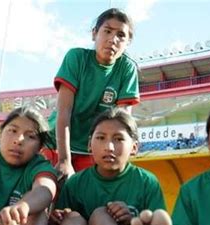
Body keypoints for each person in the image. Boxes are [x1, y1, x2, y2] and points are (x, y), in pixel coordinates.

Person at [12, 108, 166, 225]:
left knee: (103, 214)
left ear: (134, 147)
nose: (109, 147)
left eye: (118, 139)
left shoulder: (147, 183)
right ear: (89, 145)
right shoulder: (76, 182)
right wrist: (58, 219)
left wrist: (130, 222)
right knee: (73, 219)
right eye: (100, 138)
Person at [42, 8, 139, 178]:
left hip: (93, 149)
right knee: (50, 192)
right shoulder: (77, 58)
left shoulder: (127, 68)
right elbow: (64, 111)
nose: (112, 39)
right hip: (58, 144)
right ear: (94, 34)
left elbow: (122, 121)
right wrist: (64, 160)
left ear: (128, 42)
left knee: (89, 199)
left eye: (121, 35)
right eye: (107, 31)